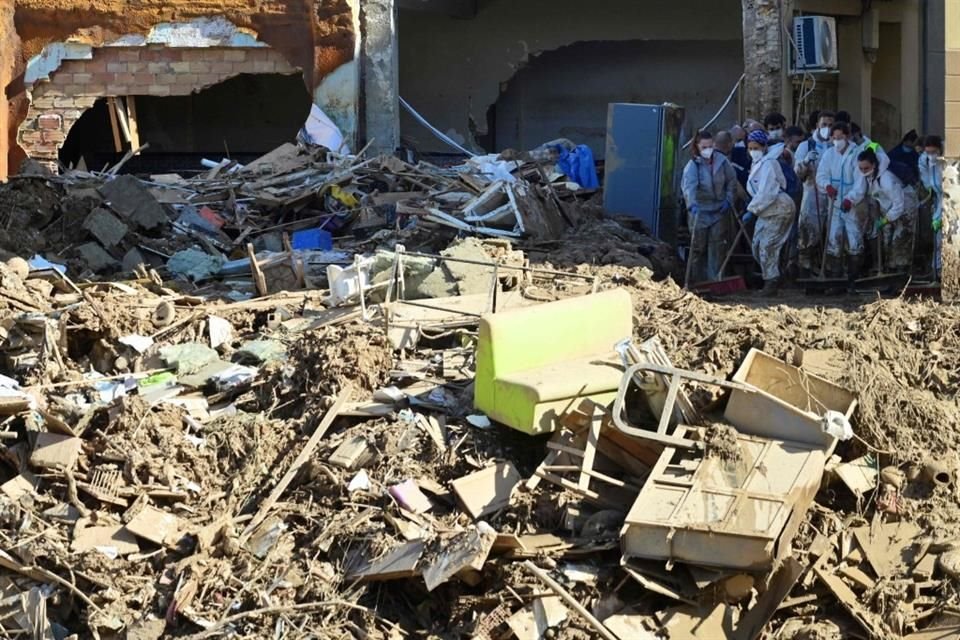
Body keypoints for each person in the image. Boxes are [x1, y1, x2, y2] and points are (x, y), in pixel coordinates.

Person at [744, 130, 796, 296]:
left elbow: (767, 192)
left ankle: (771, 282)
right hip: (766, 211)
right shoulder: (757, 164)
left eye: (756, 147)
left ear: (764, 147)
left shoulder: (769, 164)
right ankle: (776, 273)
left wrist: (751, 211)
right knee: (757, 245)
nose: (753, 151)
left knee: (768, 245)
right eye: (750, 148)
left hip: (780, 208)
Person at [817, 122, 870, 285]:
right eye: (834, 137)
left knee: (854, 238)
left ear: (846, 136)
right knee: (833, 238)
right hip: (834, 201)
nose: (836, 140)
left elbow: (861, 181)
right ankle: (835, 278)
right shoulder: (829, 154)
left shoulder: (857, 154)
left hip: (852, 203)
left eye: (840, 137)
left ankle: (853, 278)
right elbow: (821, 174)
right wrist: (827, 186)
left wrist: (851, 198)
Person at [681, 131, 738, 283]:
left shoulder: (722, 161)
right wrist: (691, 204)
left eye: (710, 146)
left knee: (718, 247)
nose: (708, 149)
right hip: (700, 210)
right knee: (698, 248)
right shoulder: (693, 165)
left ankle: (715, 281)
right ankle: (695, 281)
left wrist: (729, 199)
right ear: (697, 147)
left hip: (719, 210)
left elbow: (732, 181)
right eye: (704, 146)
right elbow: (689, 187)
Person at [857, 148, 917, 273]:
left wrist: (886, 219)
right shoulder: (870, 176)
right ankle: (890, 271)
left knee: (899, 240)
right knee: (886, 240)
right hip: (889, 209)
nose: (863, 172)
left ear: (873, 165)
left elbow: (899, 204)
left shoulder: (886, 180)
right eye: (861, 169)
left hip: (905, 208)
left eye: (866, 168)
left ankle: (901, 275)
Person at [794, 110, 835, 277]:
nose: (827, 128)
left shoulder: (837, 145)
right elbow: (797, 173)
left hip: (833, 194)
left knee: (832, 234)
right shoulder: (806, 146)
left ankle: (829, 271)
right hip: (812, 192)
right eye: (824, 124)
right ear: (817, 125)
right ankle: (805, 269)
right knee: (808, 231)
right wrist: (805, 162)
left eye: (831, 125)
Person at [919, 135, 944, 279]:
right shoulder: (924, 159)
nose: (931, 155)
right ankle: (936, 270)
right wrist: (929, 189)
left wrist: (941, 215)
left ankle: (940, 269)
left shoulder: (947, 160)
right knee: (937, 238)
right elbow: (925, 176)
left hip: (950, 196)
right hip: (937, 196)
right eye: (928, 152)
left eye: (933, 152)